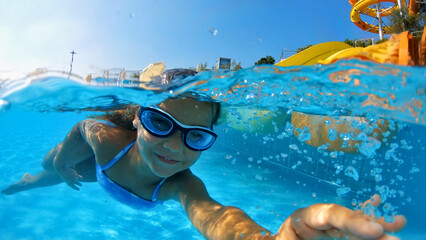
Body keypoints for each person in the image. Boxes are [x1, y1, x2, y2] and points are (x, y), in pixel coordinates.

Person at [2, 69, 406, 240]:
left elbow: (215, 215)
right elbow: (82, 128)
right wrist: (60, 160)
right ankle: (19, 186)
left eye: (194, 137)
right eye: (161, 124)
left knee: (60, 172)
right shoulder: (110, 138)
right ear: (139, 120)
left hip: (111, 177)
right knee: (48, 170)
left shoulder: (180, 183)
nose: (175, 148)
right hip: (100, 165)